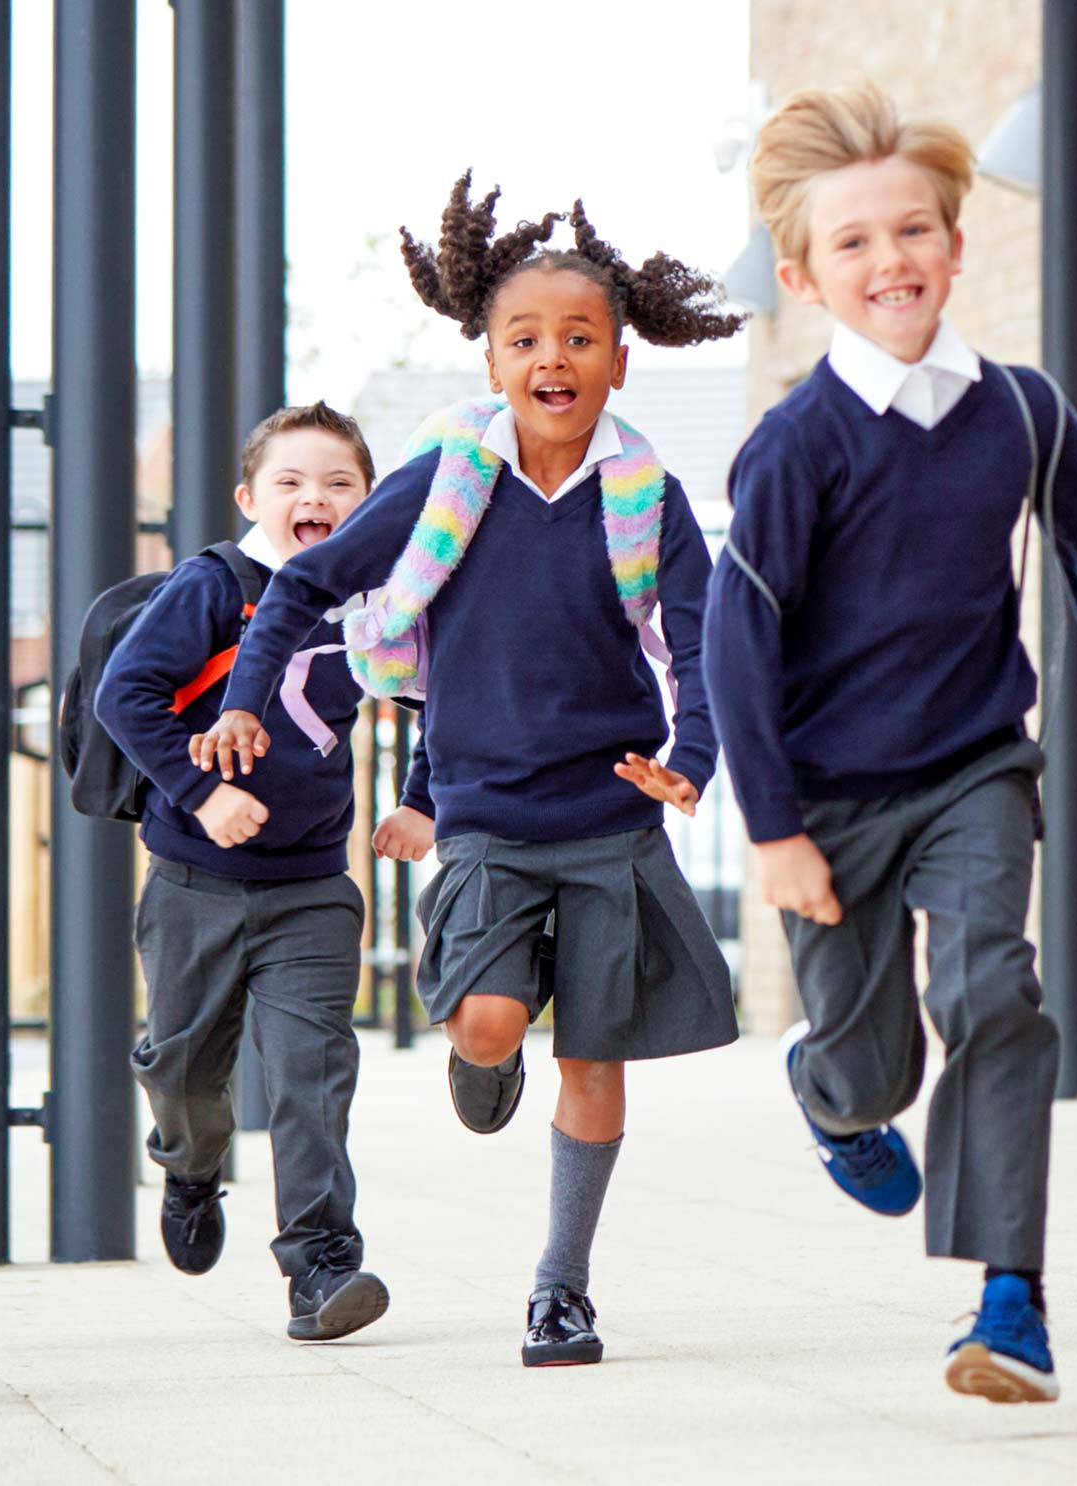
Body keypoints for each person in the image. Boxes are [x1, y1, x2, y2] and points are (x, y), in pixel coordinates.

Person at [711, 83, 1077, 1404]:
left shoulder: (1024, 411)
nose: (893, 260)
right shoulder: (792, 446)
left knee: (996, 990)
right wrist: (770, 830)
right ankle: (832, 1091)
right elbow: (737, 641)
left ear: (954, 241)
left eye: (915, 230)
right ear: (805, 273)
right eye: (857, 243)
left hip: (976, 767)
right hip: (822, 796)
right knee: (874, 1055)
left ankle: (1010, 1298)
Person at [194, 176, 743, 1367]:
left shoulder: (645, 497)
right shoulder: (450, 480)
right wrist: (246, 700)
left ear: (617, 364)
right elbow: (302, 583)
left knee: (593, 1059)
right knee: (493, 1025)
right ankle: (477, 1047)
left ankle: (561, 1288)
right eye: (526, 339)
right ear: (491, 362)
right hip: (487, 811)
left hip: (609, 814)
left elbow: (701, 641)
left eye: (580, 339)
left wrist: (692, 753)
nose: (554, 356)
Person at [98, 402, 390, 1341]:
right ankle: (190, 1164)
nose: (316, 498)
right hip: (195, 882)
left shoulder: (376, 600)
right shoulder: (214, 587)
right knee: (184, 1067)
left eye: (340, 483)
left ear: (367, 501)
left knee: (311, 1074)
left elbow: (446, 690)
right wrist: (199, 791)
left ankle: (320, 1268)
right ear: (249, 498)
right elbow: (124, 695)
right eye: (292, 483)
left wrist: (424, 796)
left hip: (311, 887)